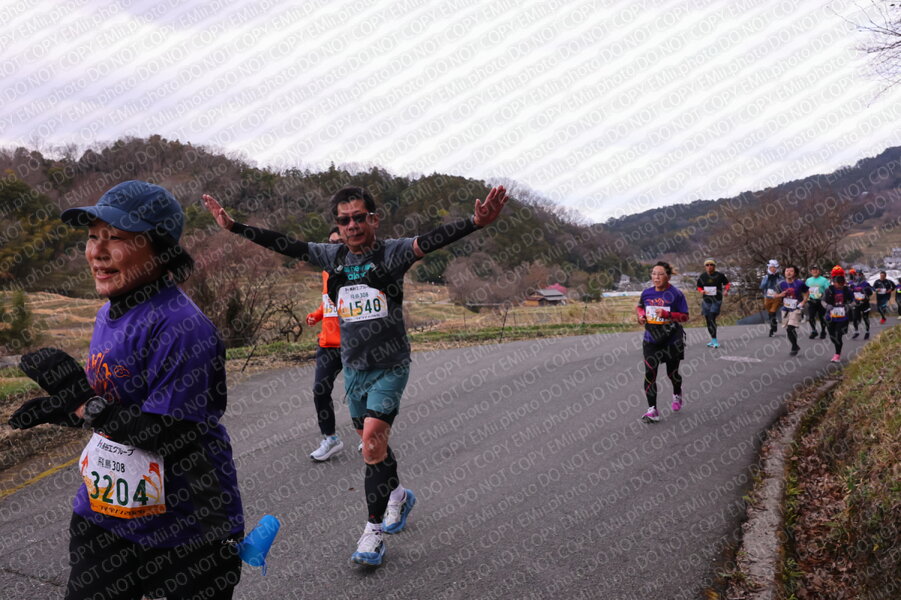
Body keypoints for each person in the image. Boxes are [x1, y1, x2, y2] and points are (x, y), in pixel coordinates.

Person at [202, 185, 508, 567]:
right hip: (354, 368)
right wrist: (234, 227)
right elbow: (287, 245)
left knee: (372, 445)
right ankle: (399, 496)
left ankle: (372, 533)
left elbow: (430, 240)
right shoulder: (333, 256)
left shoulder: (393, 252)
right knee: (371, 445)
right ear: (338, 224)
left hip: (390, 366)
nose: (352, 225)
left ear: (373, 219)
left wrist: (475, 222)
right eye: (344, 220)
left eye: (359, 218)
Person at [9, 181, 244, 599]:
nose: (97, 252)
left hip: (184, 531)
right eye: (92, 236)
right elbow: (116, 402)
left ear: (160, 249)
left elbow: (171, 435)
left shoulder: (180, 327)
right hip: (104, 516)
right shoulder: (109, 313)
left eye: (115, 238)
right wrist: (65, 408)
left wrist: (85, 404)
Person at [306, 227, 346, 461]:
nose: (334, 247)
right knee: (320, 389)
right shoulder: (326, 271)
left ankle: (369, 435)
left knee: (360, 391)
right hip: (328, 344)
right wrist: (317, 315)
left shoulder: (357, 270)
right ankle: (330, 439)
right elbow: (328, 302)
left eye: (339, 242)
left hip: (353, 343)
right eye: (331, 243)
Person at [637, 261, 689, 423]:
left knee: (672, 374)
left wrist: (668, 315)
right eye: (653, 273)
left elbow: (685, 316)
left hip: (671, 340)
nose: (656, 277)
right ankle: (652, 410)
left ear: (668, 276)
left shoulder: (676, 294)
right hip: (651, 340)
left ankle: (677, 392)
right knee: (650, 373)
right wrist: (641, 316)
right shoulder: (647, 293)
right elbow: (640, 307)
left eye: (660, 274)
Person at [695, 258, 729, 348]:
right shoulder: (703, 276)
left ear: (714, 266)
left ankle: (715, 340)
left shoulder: (720, 275)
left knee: (712, 317)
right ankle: (712, 340)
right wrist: (701, 291)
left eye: (711, 265)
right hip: (706, 301)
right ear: (705, 267)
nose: (709, 266)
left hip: (716, 300)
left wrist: (726, 290)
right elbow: (698, 286)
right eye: (707, 265)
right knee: (708, 319)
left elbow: (727, 284)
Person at [775, 265, 808, 356]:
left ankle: (794, 347)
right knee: (788, 330)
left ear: (795, 273)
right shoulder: (780, 284)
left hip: (796, 308)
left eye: (791, 271)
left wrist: (803, 301)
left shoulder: (800, 283)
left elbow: (806, 292)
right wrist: (780, 295)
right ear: (784, 273)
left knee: (790, 327)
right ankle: (795, 345)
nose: (788, 273)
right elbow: (774, 295)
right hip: (785, 309)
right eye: (787, 271)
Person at [823, 265, 852, 363]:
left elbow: (854, 301)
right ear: (834, 282)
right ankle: (837, 349)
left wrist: (849, 306)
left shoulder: (847, 290)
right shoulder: (829, 290)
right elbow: (823, 301)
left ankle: (837, 354)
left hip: (843, 317)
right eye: (838, 284)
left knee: (838, 335)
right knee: (832, 336)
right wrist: (827, 306)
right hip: (830, 317)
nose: (840, 286)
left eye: (841, 284)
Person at [759, 259, 784, 337]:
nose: (773, 269)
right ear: (768, 268)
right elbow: (762, 286)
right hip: (768, 297)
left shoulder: (780, 277)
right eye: (771, 268)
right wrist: (768, 279)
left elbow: (783, 286)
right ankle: (774, 323)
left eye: (774, 268)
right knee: (770, 313)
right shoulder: (766, 277)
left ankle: (772, 329)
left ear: (777, 268)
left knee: (773, 311)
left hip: (777, 297)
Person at [804, 265, 829, 339]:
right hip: (812, 300)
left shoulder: (824, 280)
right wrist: (805, 299)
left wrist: (825, 297)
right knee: (811, 317)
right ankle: (814, 330)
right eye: (813, 270)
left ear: (819, 271)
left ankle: (823, 331)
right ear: (811, 271)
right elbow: (805, 290)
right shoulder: (808, 280)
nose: (815, 271)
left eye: (816, 269)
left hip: (821, 301)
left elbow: (828, 290)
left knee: (822, 317)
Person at [848, 269, 873, 340]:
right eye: (855, 275)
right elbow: (849, 293)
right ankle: (856, 331)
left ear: (861, 275)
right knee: (855, 318)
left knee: (865, 318)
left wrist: (864, 292)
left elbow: (870, 293)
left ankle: (867, 332)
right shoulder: (851, 283)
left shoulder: (865, 283)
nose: (856, 276)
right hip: (856, 303)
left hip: (864, 303)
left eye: (858, 274)